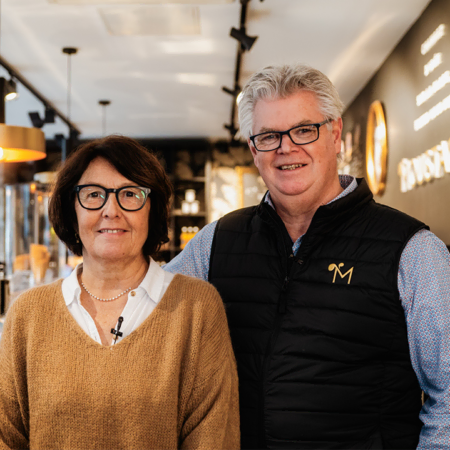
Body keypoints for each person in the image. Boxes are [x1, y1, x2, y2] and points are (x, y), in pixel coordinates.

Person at [165, 64, 450, 449]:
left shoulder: (412, 250)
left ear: (335, 135)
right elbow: (146, 314)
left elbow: (447, 396)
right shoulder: (216, 241)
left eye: (303, 130)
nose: (286, 147)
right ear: (253, 150)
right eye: (268, 135)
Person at [0, 135, 240, 449]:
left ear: (151, 209)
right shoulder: (28, 313)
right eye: (93, 194)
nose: (111, 210)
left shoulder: (197, 308)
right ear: (72, 211)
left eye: (129, 194)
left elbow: (213, 441)